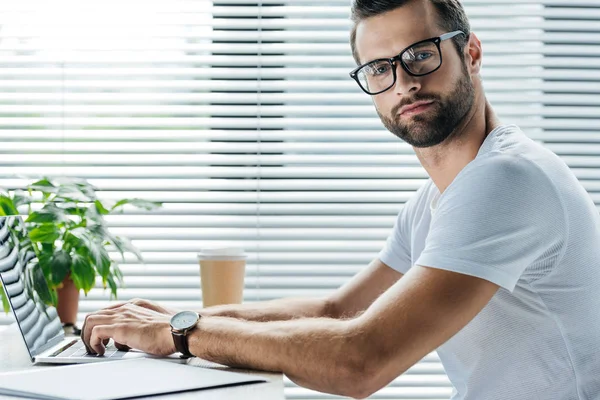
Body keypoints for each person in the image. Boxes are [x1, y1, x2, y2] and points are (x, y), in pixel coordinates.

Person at [82, 0, 600, 398]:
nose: (403, 83)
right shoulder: (437, 199)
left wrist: (182, 334)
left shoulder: (507, 179)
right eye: (379, 68)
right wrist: (180, 318)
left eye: (421, 54)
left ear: (472, 53)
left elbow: (361, 360)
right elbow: (340, 308)